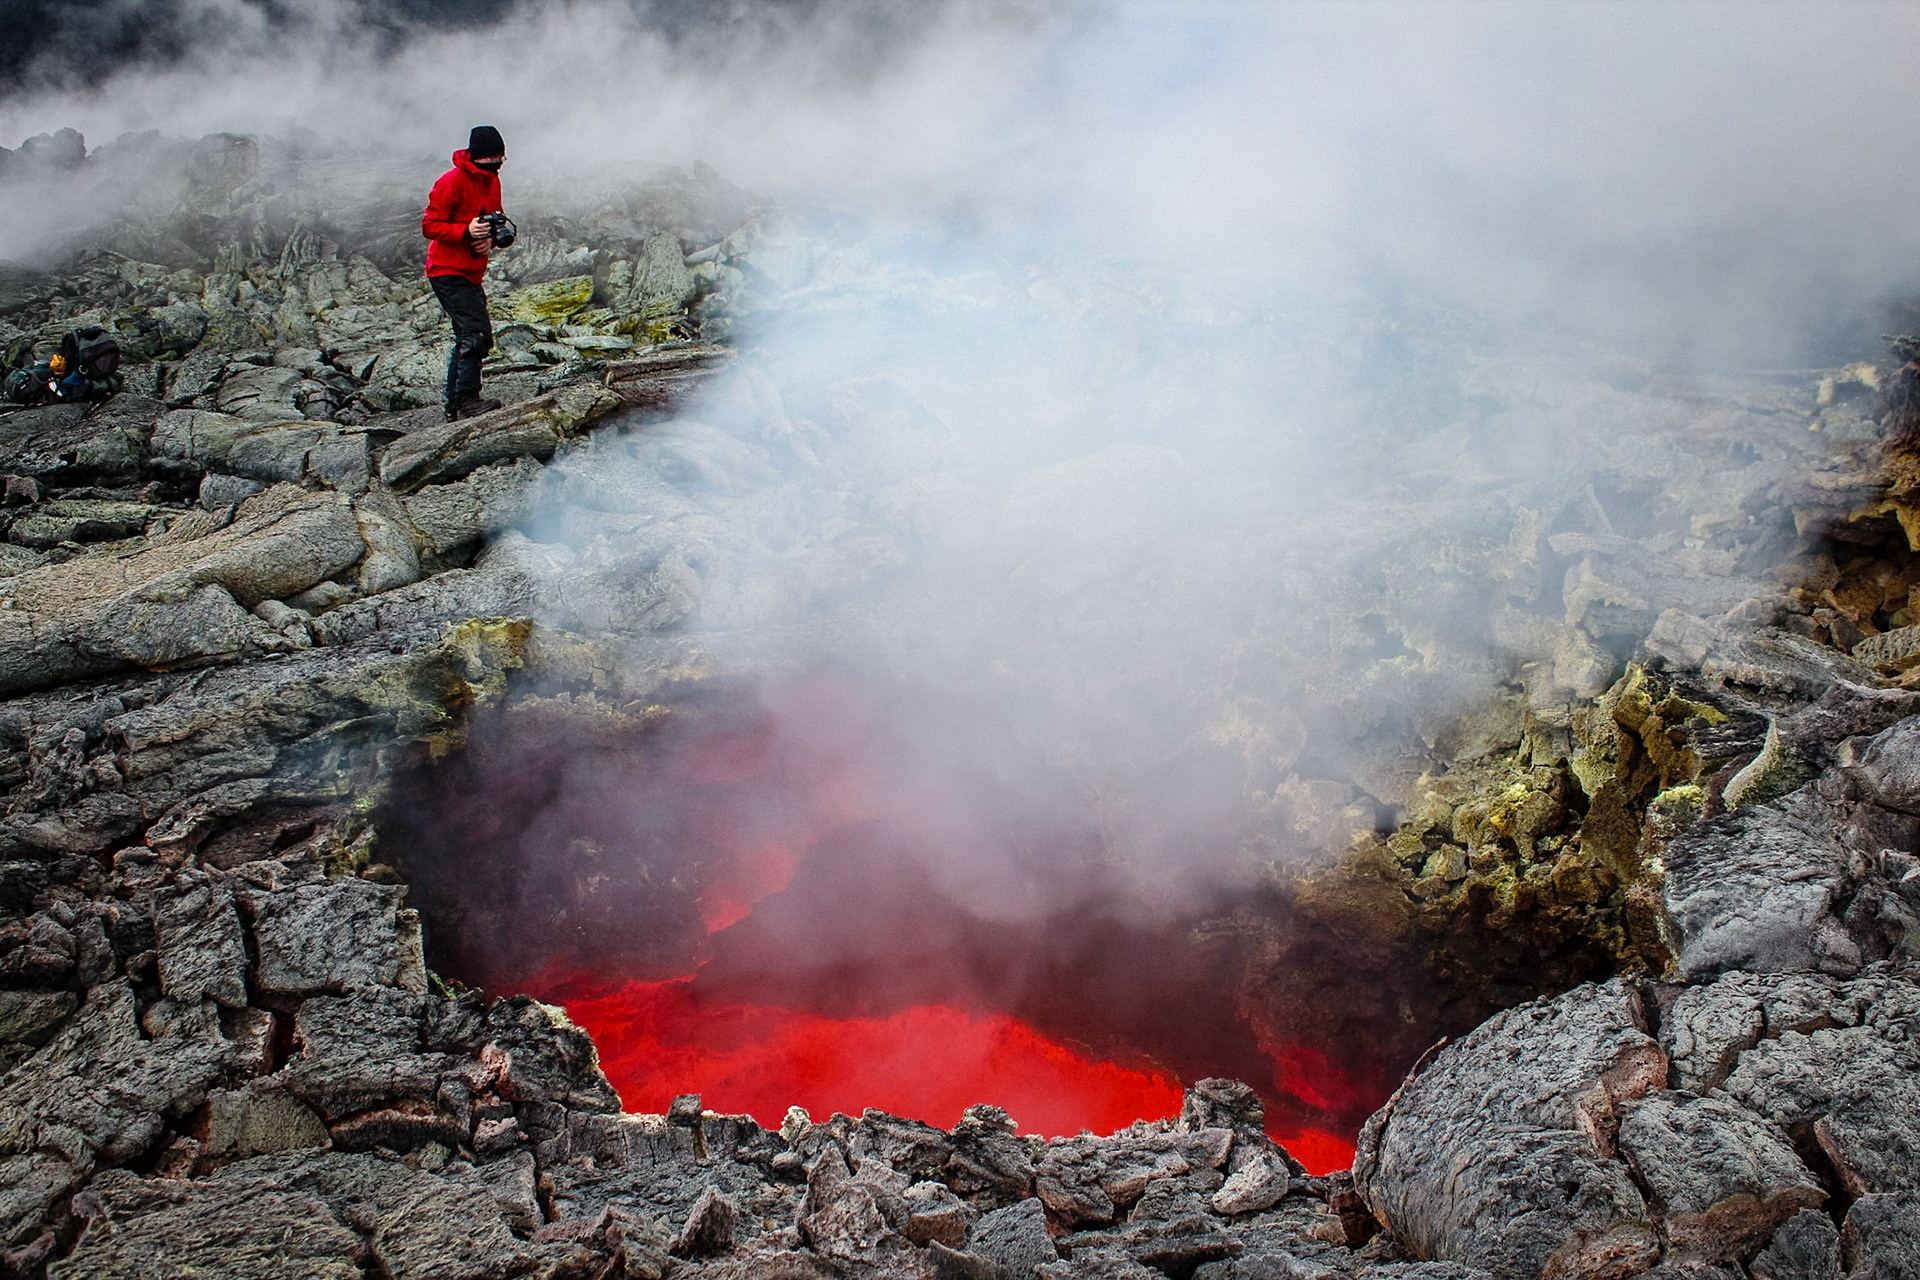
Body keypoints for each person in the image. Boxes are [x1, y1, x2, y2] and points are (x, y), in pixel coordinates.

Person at [422, 125, 510, 421]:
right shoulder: (451, 182)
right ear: (478, 156)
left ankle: (454, 403)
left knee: (467, 334)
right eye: (494, 157)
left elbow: (494, 221)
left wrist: (490, 239)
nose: (499, 163)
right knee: (476, 333)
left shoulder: (492, 181)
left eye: (502, 157)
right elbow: (429, 226)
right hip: (446, 270)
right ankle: (467, 400)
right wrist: (465, 231)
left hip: (472, 270)